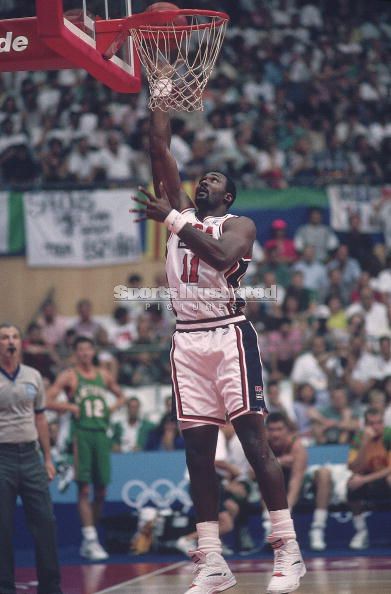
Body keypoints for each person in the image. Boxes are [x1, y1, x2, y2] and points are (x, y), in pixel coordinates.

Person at [129, 106, 306, 594]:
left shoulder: (239, 224)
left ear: (225, 195)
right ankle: (211, 560)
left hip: (230, 333)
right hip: (186, 338)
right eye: (199, 177)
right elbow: (159, 148)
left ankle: (287, 549)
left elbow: (224, 258)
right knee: (197, 454)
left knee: (253, 440)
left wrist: (172, 220)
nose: (201, 182)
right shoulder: (180, 214)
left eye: (211, 179)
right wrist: (160, 95)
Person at [46, 336, 125, 560]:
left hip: (101, 435)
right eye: (80, 350)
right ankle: (90, 539)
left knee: (101, 490)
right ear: (75, 353)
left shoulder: (103, 375)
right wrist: (69, 406)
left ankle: (91, 537)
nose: (84, 353)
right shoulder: (69, 375)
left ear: (93, 352)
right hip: (81, 435)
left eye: (88, 349)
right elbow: (46, 401)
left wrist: (113, 407)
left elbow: (121, 396)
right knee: (84, 489)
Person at [0, 324, 63, 594]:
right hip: (2, 457)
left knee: (45, 522)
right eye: (4, 337)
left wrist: (47, 458)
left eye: (14, 336)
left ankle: (50, 588)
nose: (10, 341)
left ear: (20, 343)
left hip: (30, 456)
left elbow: (40, 418)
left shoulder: (33, 376)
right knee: (3, 527)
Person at [347, 407, 391, 549]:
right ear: (365, 425)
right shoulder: (360, 437)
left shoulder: (388, 435)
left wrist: (365, 480)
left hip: (384, 477)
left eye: (379, 423)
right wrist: (365, 444)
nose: (375, 427)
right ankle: (361, 532)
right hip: (370, 477)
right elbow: (354, 467)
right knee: (352, 482)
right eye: (371, 423)